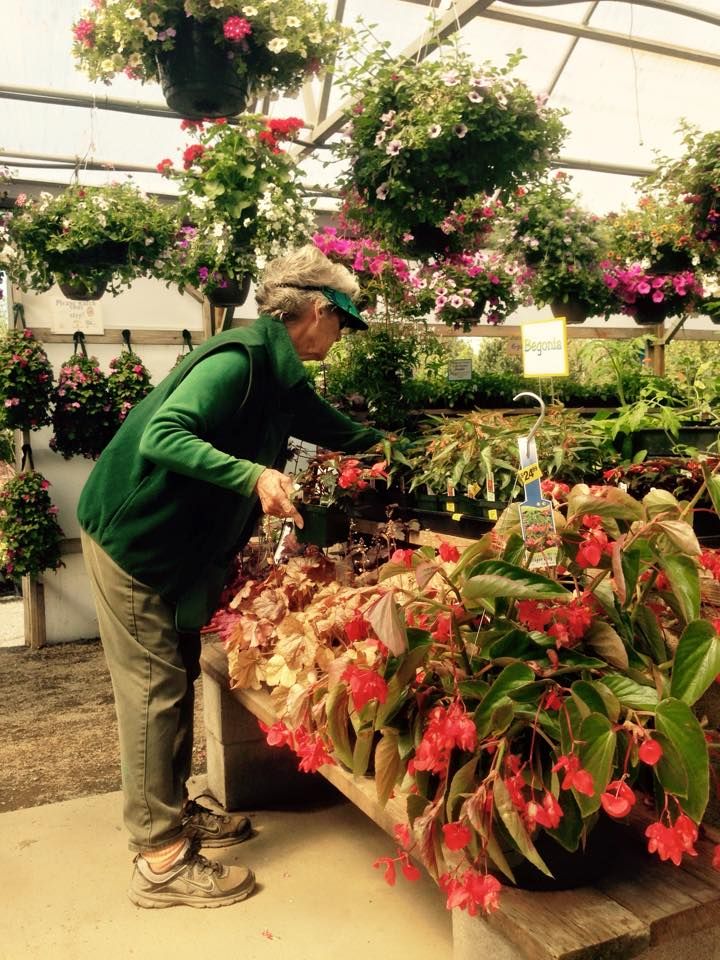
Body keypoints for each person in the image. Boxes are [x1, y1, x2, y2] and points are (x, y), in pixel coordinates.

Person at [77, 245, 384, 909]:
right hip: (136, 542)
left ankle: (171, 811)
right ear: (317, 310)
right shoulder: (238, 361)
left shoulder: (280, 377)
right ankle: (159, 860)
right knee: (154, 689)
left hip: (174, 548)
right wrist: (253, 475)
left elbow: (338, 430)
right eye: (343, 321)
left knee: (174, 675)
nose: (343, 335)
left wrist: (399, 447)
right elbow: (164, 435)